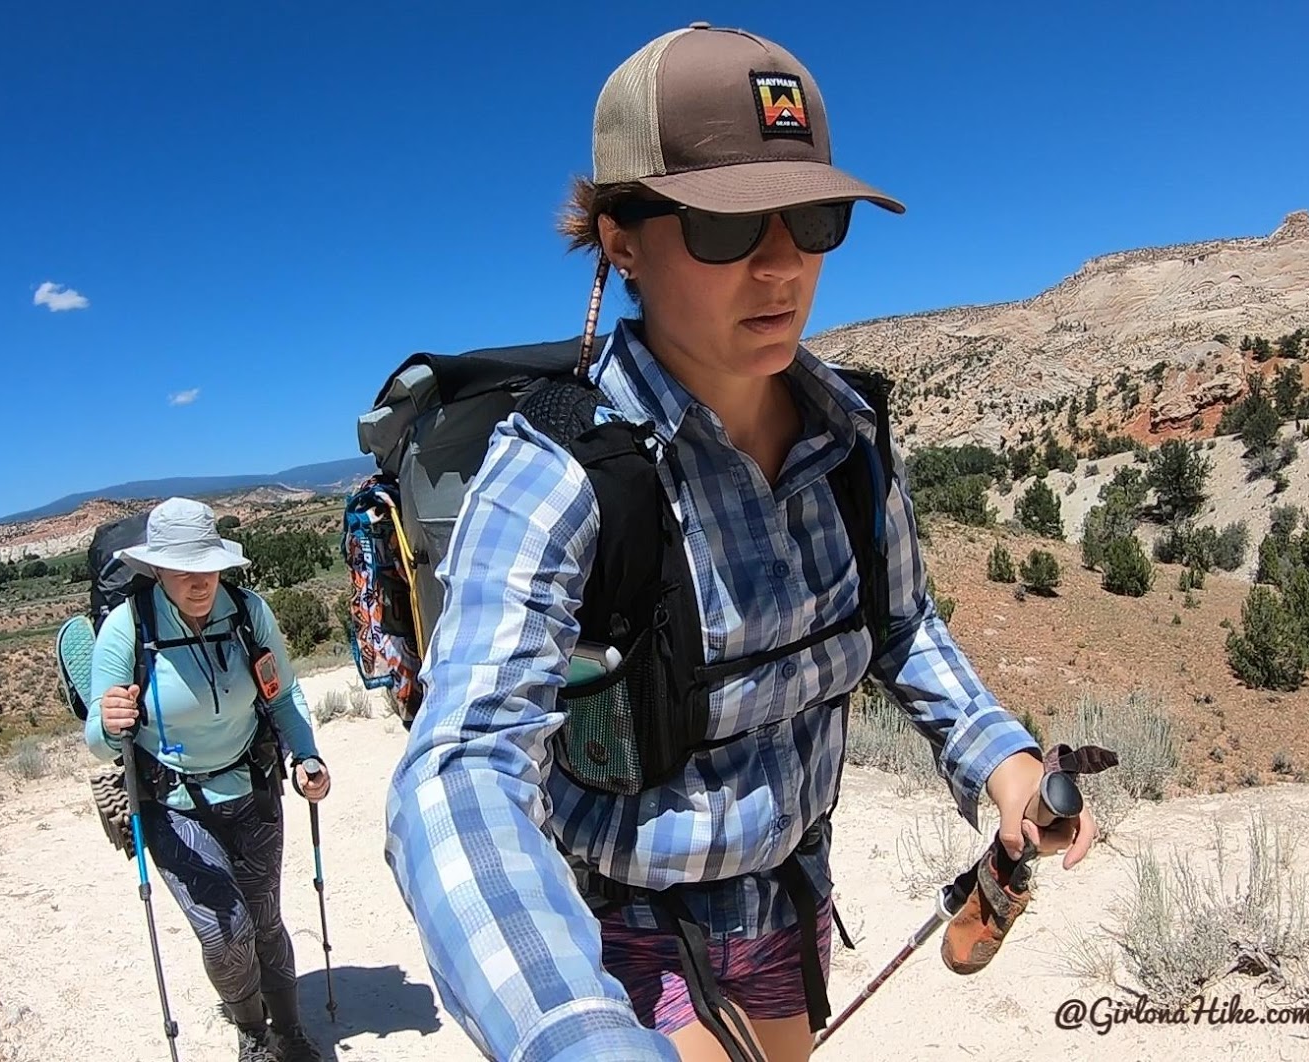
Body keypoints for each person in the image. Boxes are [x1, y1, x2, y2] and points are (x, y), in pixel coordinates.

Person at [383, 22, 1099, 1062]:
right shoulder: (556, 477)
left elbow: (900, 628)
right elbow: (459, 769)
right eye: (726, 228)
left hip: (792, 905)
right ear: (619, 239)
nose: (781, 265)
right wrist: (573, 1033)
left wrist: (1004, 765)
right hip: (630, 937)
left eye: (810, 217)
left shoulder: (849, 437)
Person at [85, 496, 332, 1062]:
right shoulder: (128, 628)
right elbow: (99, 743)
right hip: (172, 802)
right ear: (156, 569)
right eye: (182, 569)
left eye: (207, 566)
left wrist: (307, 757)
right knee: (225, 931)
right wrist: (110, 720)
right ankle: (253, 1037)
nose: (199, 581)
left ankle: (290, 1032)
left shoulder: (248, 613)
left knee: (265, 920)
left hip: (252, 789)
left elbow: (284, 694)